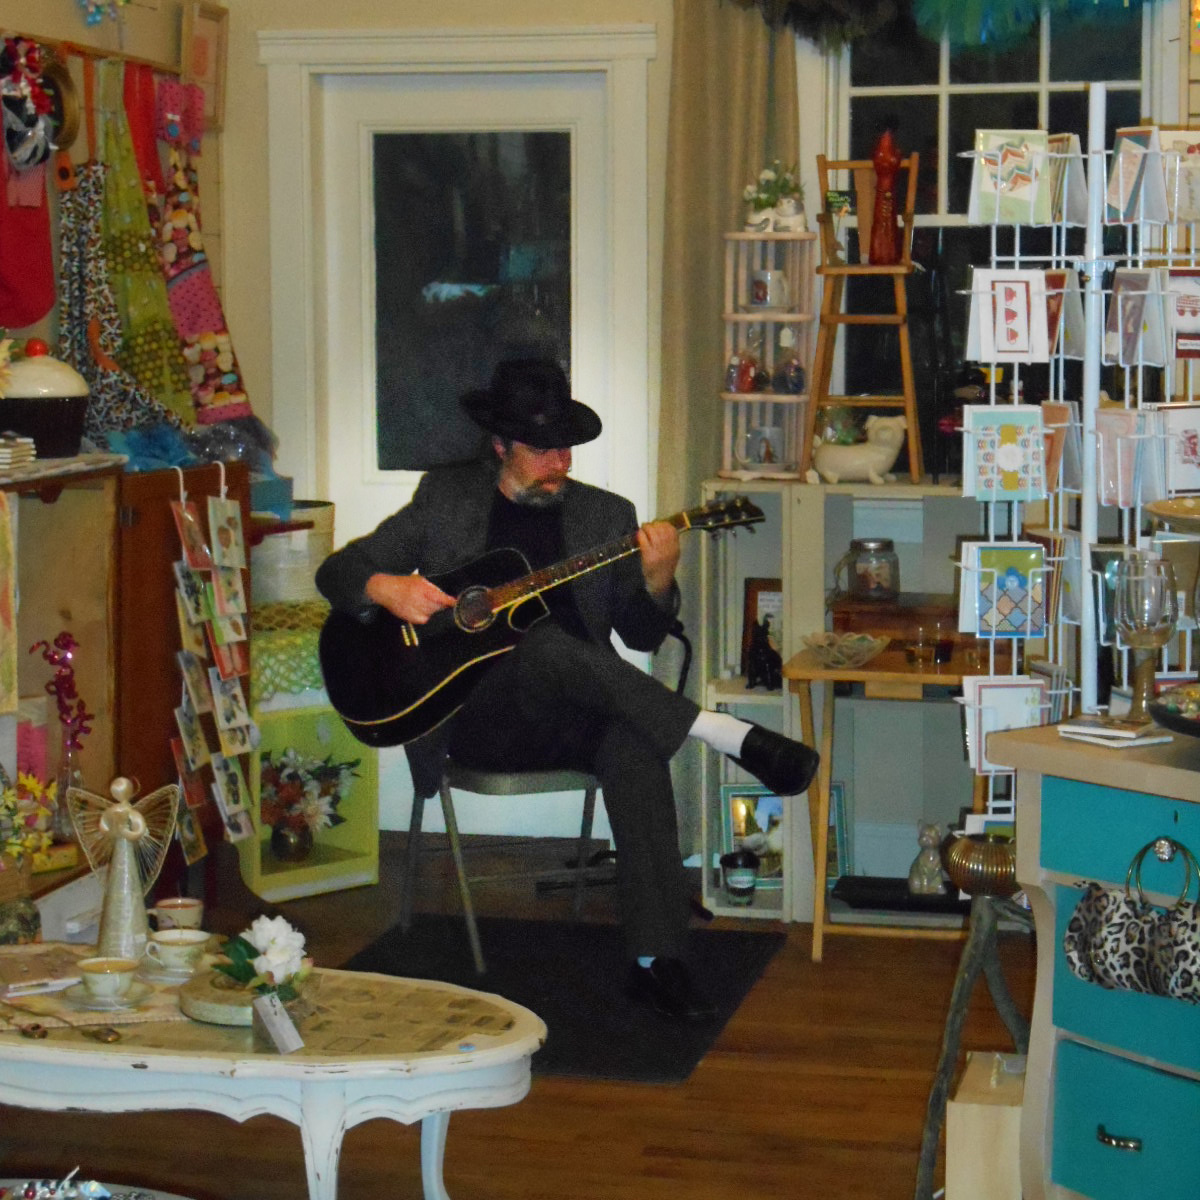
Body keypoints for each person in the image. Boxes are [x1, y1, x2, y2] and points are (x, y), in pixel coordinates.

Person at [315, 358, 819, 1022]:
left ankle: (657, 960)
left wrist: (660, 579)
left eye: (566, 446)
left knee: (636, 744)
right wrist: (387, 587)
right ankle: (724, 734)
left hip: (576, 708)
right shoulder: (446, 498)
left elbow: (640, 636)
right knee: (542, 643)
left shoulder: (607, 516)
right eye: (540, 448)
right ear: (500, 445)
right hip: (473, 716)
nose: (558, 461)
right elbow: (340, 569)